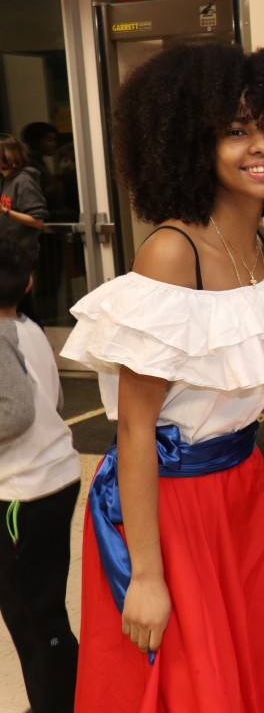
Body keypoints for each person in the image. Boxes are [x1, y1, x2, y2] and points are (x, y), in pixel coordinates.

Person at [62, 41, 264, 712]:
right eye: (235, 131)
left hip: (240, 492)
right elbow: (133, 431)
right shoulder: (173, 252)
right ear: (193, 144)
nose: (262, 146)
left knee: (239, 680)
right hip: (168, 504)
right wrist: (147, 576)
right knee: (185, 687)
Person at [0, 232, 81, 712]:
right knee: (43, 610)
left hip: (21, 493)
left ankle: (55, 704)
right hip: (53, 480)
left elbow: (15, 415)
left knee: (31, 616)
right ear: (29, 284)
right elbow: (53, 401)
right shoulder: (30, 327)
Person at [0, 133, 47, 324]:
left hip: (22, 255)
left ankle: (35, 349)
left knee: (24, 311)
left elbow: (37, 220)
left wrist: (6, 212)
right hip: (9, 254)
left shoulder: (24, 181)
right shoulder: (6, 180)